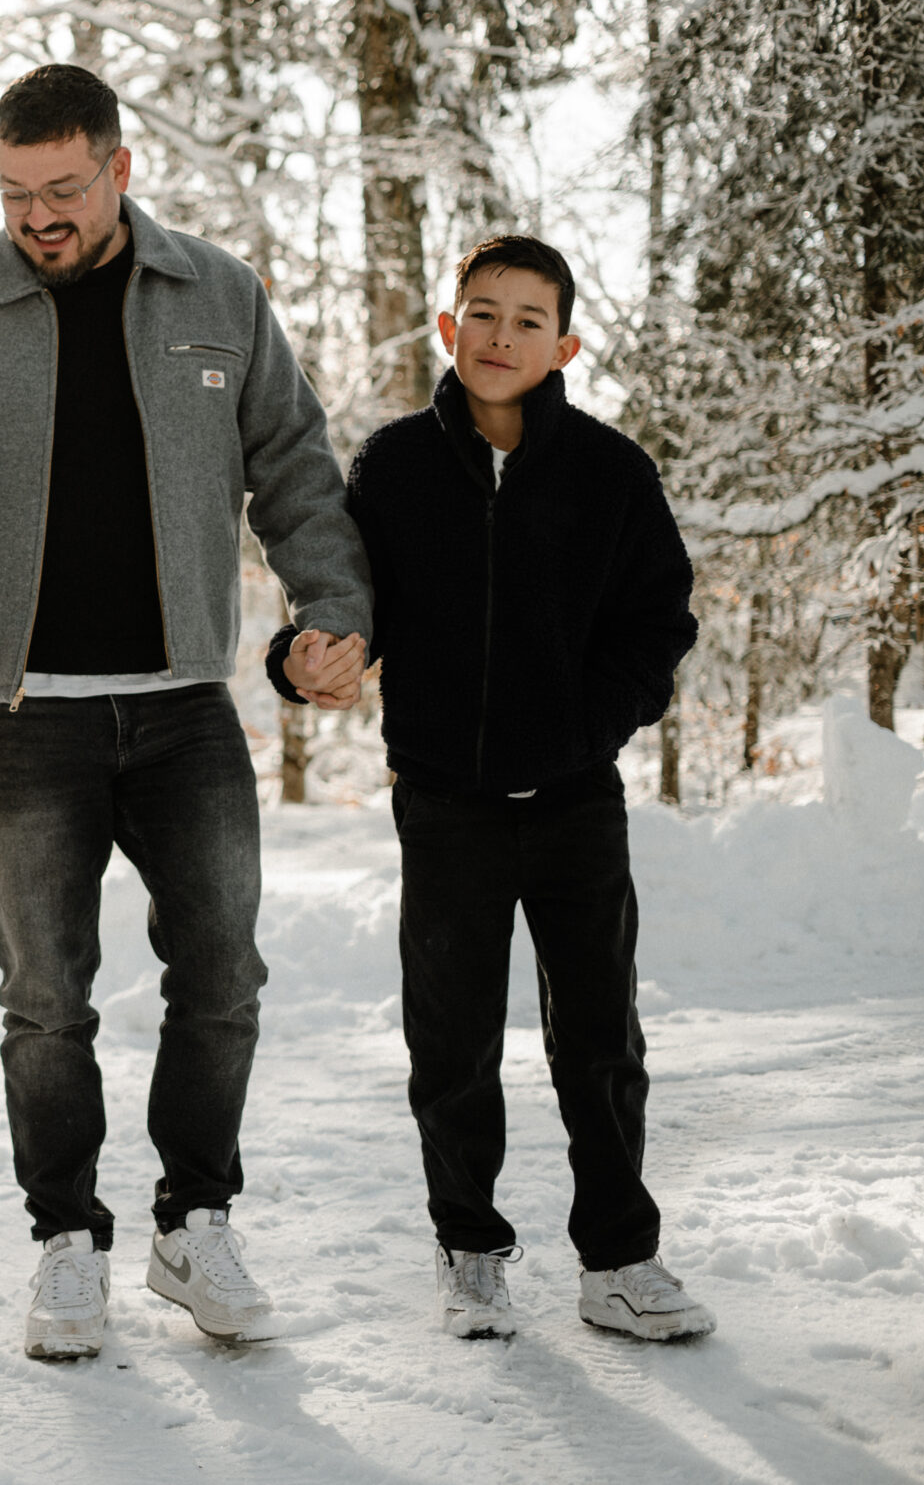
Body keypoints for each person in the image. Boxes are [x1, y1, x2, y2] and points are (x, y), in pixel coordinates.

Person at [0, 63, 372, 1357]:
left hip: (184, 704)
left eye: (63, 188)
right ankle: (66, 1238)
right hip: (22, 716)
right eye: (15, 192)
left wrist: (332, 607)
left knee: (222, 973)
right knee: (44, 997)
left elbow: (295, 469)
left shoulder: (218, 295)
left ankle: (195, 1220)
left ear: (120, 169)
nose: (38, 215)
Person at [267, 234, 713, 1342]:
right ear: (446, 326)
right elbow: (350, 602)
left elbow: (657, 625)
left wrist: (584, 728)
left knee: (600, 1038)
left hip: (574, 804)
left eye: (527, 320)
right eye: (482, 312)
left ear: (564, 346)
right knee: (453, 1039)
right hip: (445, 806)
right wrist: (303, 655)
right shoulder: (395, 465)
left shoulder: (611, 472)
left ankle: (619, 1258)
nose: (501, 336)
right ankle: (469, 1251)